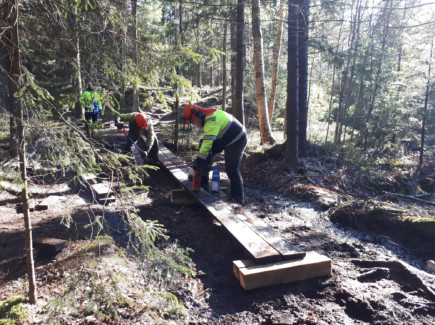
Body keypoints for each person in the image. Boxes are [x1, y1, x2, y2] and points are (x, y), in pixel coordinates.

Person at [183, 104, 247, 205]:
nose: (194, 124)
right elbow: (206, 144)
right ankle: (202, 180)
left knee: (231, 169)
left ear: (197, 115)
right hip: (225, 137)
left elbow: (207, 144)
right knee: (204, 147)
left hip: (237, 139)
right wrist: (199, 163)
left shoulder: (211, 121)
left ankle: (238, 197)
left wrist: (198, 162)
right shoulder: (207, 117)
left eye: (192, 121)